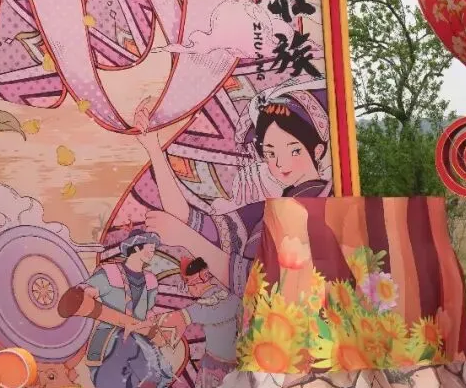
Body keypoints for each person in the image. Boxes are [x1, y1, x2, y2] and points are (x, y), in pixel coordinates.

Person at [132, 78, 332, 295]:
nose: (281, 163)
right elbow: (191, 221)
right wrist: (154, 149)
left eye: (294, 150)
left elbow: (258, 282)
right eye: (271, 153)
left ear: (318, 150)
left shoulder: (320, 207)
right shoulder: (273, 207)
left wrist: (186, 238)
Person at [57, 229, 175, 388]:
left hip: (141, 342)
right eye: (150, 248)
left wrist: (151, 326)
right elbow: (89, 290)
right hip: (109, 342)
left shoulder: (151, 280)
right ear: (136, 247)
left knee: (148, 381)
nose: (153, 253)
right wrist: (87, 291)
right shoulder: (110, 272)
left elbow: (149, 310)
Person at [157, 257, 241, 388]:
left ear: (195, 282)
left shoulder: (206, 305)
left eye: (187, 284)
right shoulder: (230, 298)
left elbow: (176, 318)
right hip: (233, 363)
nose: (188, 290)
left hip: (217, 366)